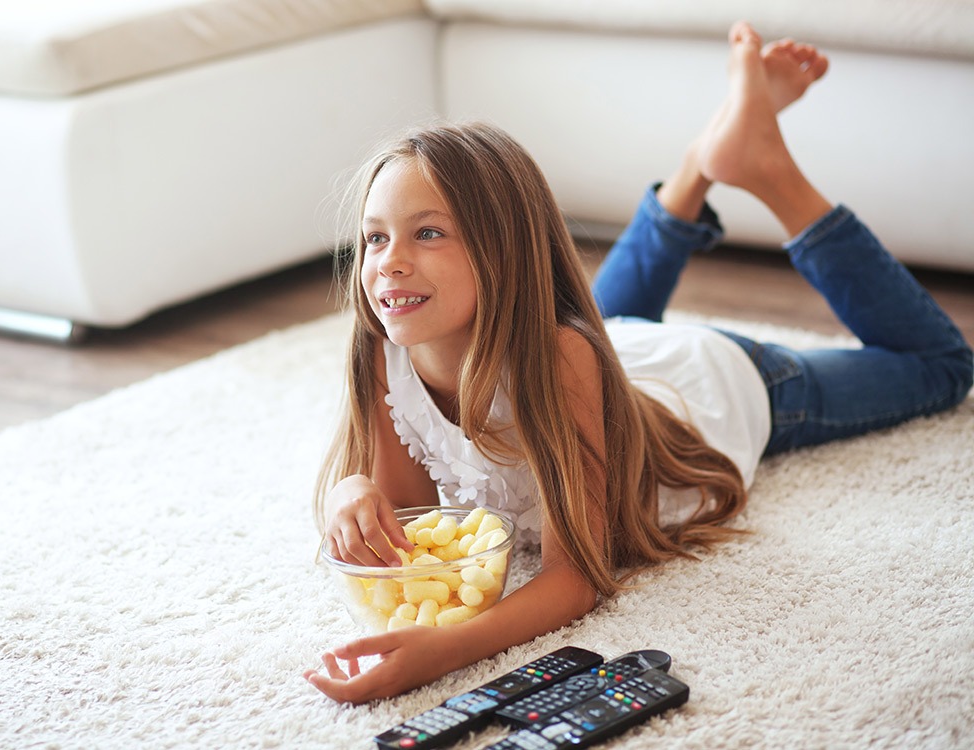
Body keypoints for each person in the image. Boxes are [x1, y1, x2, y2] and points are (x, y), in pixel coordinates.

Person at [303, 22, 973, 704]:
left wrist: (441, 651)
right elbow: (410, 532)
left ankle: (767, 171)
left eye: (428, 232)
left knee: (942, 367)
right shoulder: (386, 346)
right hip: (609, 350)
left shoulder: (564, 358)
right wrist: (350, 491)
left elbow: (575, 579)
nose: (388, 261)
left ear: (505, 252)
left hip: (715, 385)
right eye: (375, 237)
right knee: (595, 325)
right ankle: (702, 161)